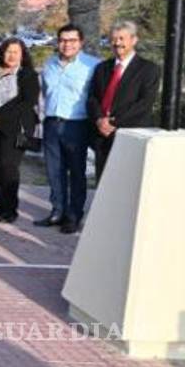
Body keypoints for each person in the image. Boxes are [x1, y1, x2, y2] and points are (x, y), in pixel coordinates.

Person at [37, 24, 99, 234]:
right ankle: (57, 211)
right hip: (52, 122)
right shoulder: (49, 64)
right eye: (63, 40)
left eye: (72, 40)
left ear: (80, 42)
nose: (67, 45)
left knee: (77, 172)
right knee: (54, 171)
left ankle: (74, 215)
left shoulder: (92, 66)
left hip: (76, 124)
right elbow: (46, 93)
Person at [87, 21, 162, 181]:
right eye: (113, 39)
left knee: (127, 183)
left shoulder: (148, 69)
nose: (117, 43)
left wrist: (113, 122)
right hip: (103, 136)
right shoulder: (102, 68)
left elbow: (144, 103)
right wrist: (100, 120)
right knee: (103, 183)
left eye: (122, 38)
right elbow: (92, 98)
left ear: (134, 40)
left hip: (130, 135)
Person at [0, 37, 40, 224]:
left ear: (22, 55)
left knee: (8, 167)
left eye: (16, 52)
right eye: (8, 51)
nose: (11, 55)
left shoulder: (27, 75)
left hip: (14, 129)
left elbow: (28, 101)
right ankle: (2, 205)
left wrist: (1, 115)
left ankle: (10, 210)